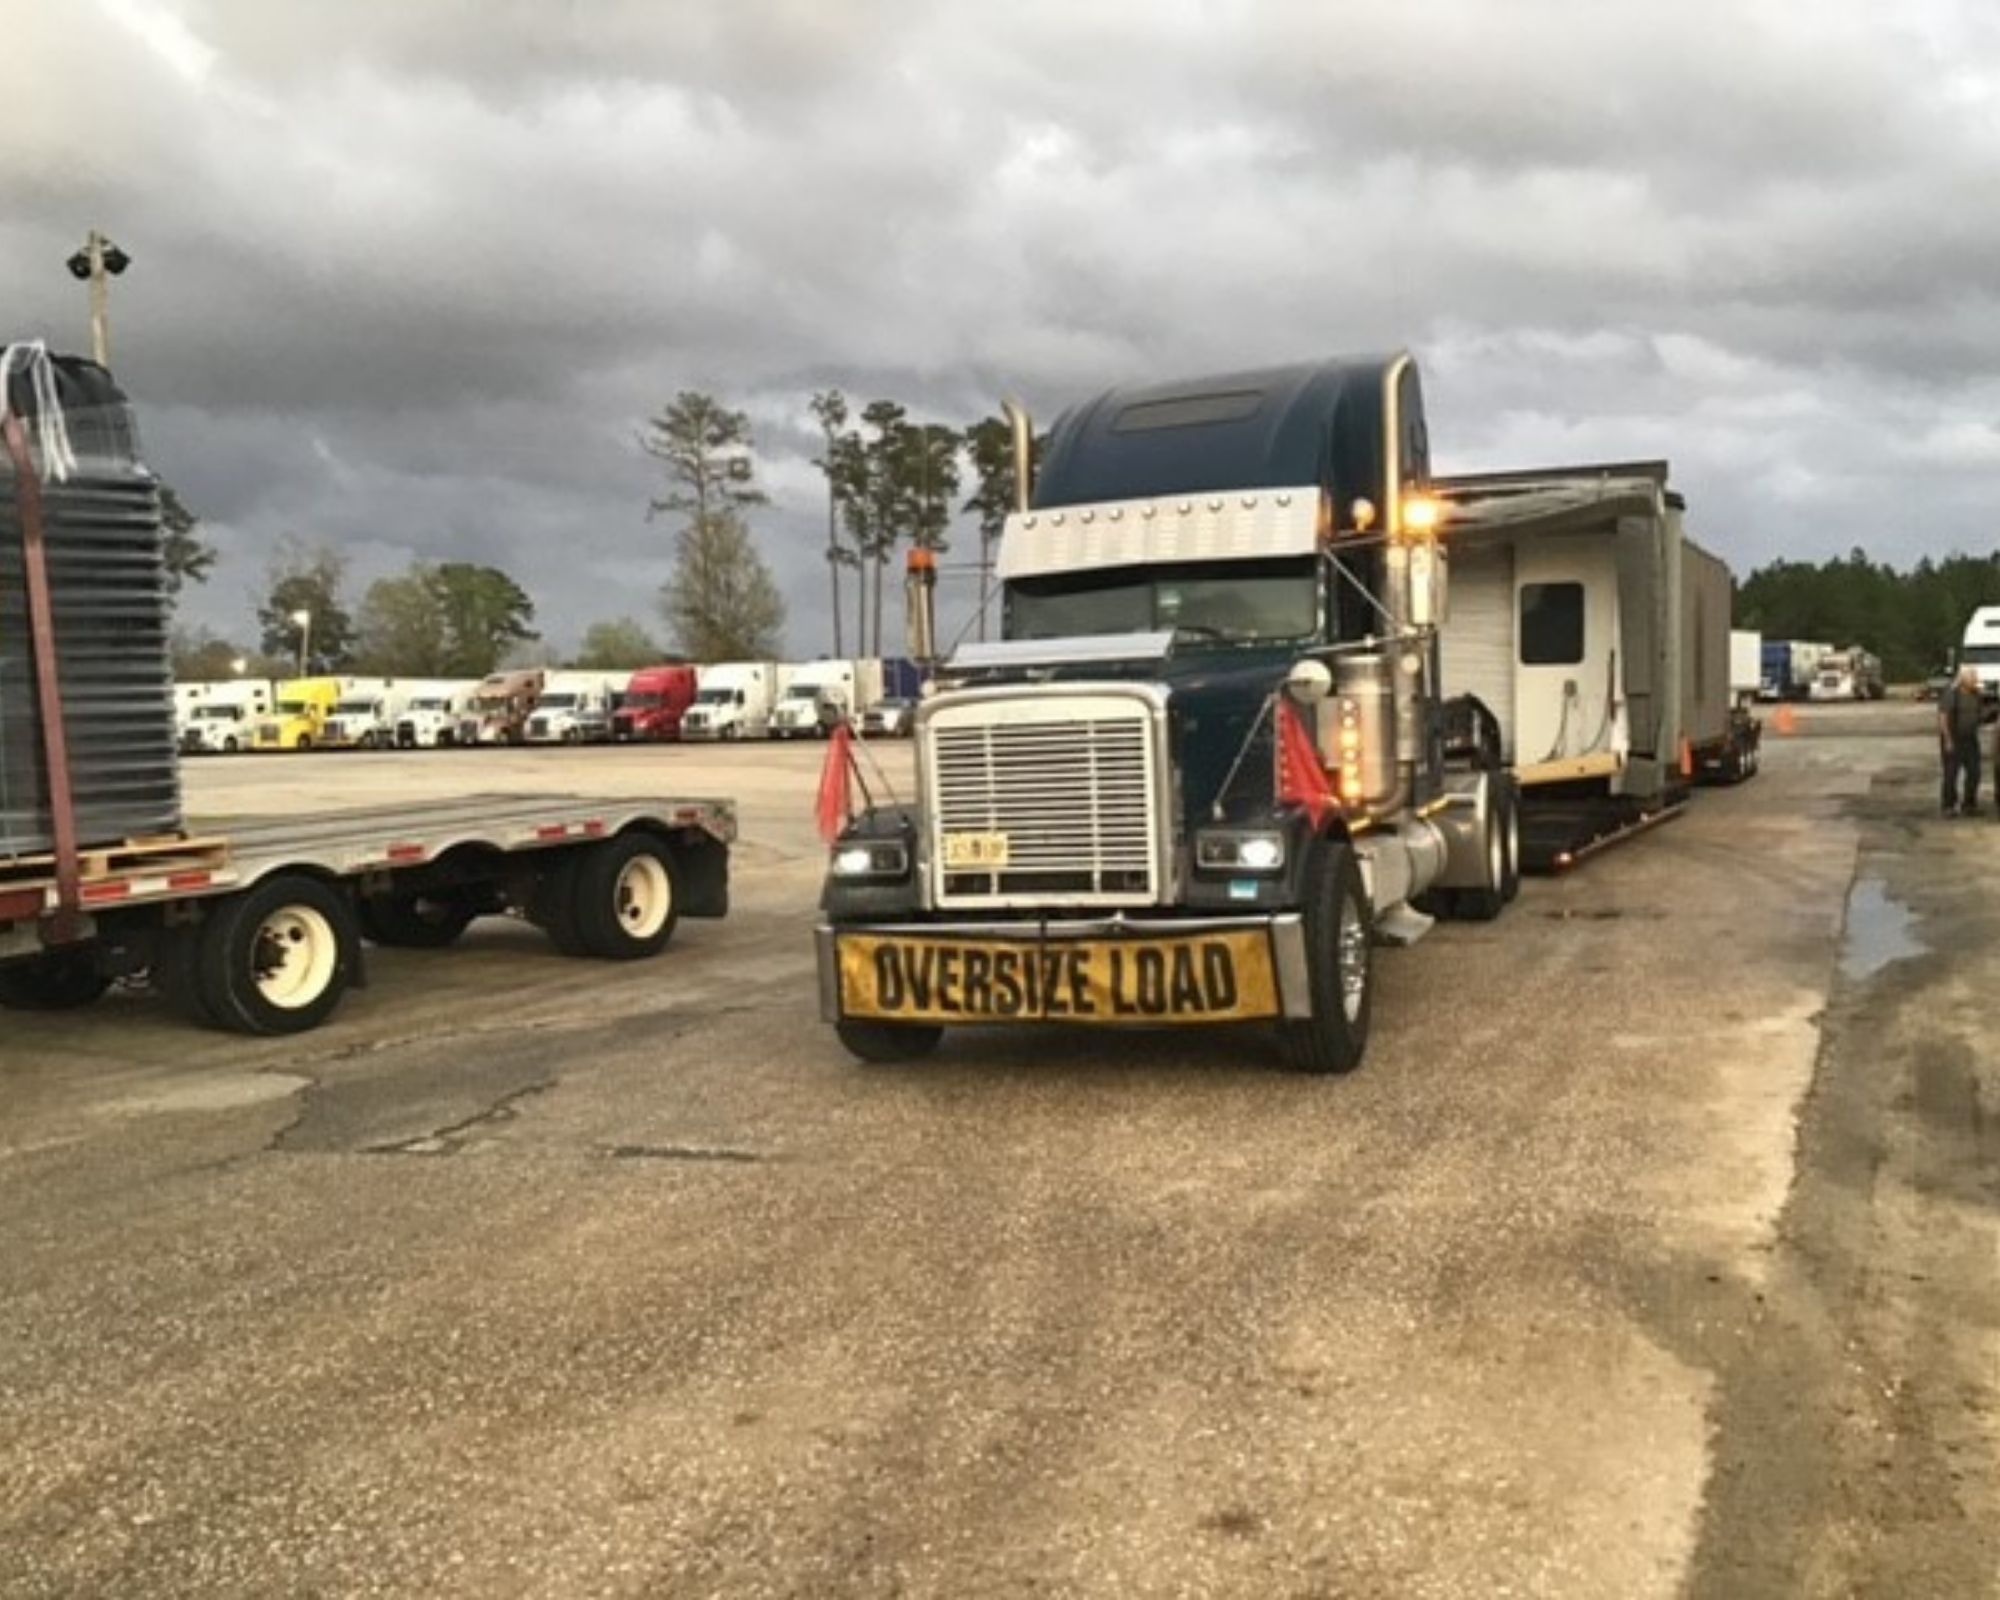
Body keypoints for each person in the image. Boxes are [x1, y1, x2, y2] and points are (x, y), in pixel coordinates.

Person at [1938, 664, 1984, 816]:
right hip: (1954, 738)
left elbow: (1981, 715)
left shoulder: (1976, 694)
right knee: (1951, 774)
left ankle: (1969, 804)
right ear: (1964, 679)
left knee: (1974, 772)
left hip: (1971, 739)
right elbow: (1943, 718)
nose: (1976, 680)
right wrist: (1948, 740)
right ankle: (1948, 806)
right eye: (1973, 677)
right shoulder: (1952, 694)